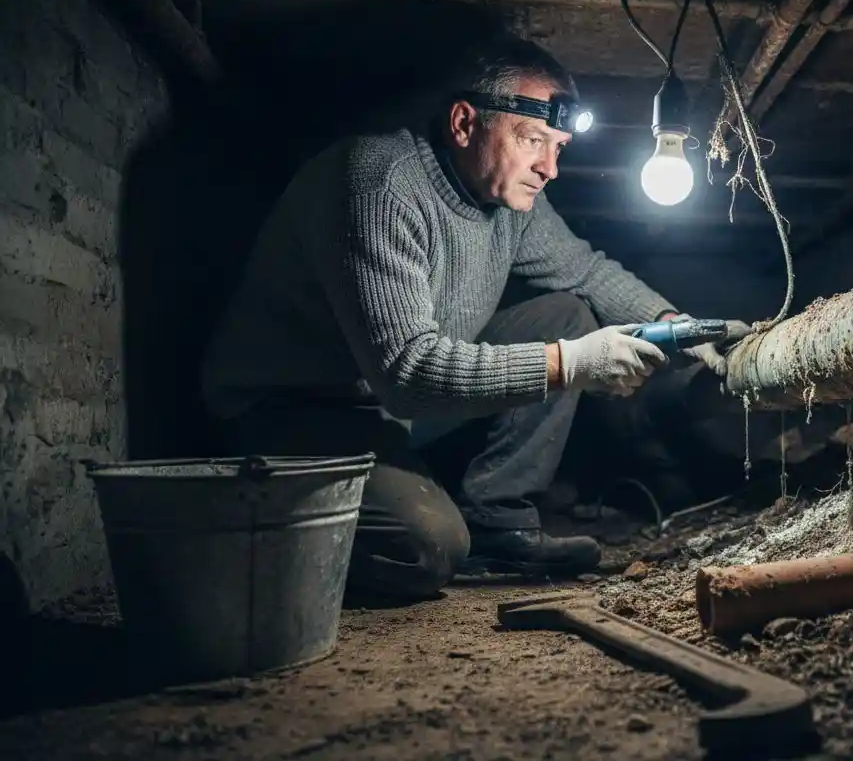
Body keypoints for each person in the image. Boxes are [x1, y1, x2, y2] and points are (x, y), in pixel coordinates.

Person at [199, 35, 745, 599]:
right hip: (294, 412)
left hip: (392, 411)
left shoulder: (510, 201)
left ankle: (497, 520)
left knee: (565, 315)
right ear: (464, 124)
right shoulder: (379, 184)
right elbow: (408, 374)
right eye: (533, 140)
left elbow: (585, 271)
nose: (550, 168)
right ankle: (254, 529)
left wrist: (676, 324)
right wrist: (571, 364)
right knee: (428, 547)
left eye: (558, 147)